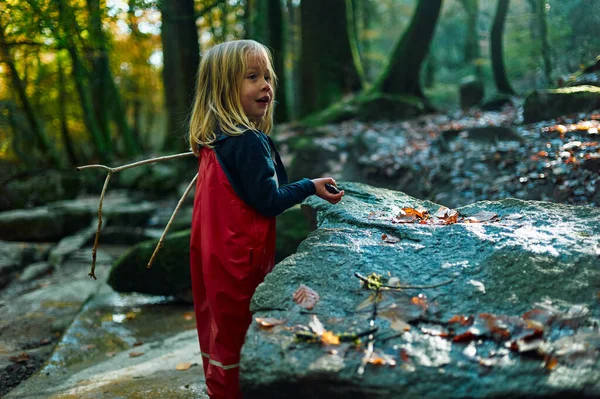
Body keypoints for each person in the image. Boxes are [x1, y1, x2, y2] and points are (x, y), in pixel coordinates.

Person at [187, 40, 344, 399]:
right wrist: (311, 186)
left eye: (268, 76)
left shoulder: (213, 141)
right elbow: (269, 201)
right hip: (241, 257)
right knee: (242, 327)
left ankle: (221, 389)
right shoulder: (247, 142)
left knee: (219, 324)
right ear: (224, 89)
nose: (266, 85)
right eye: (252, 77)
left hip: (212, 253)